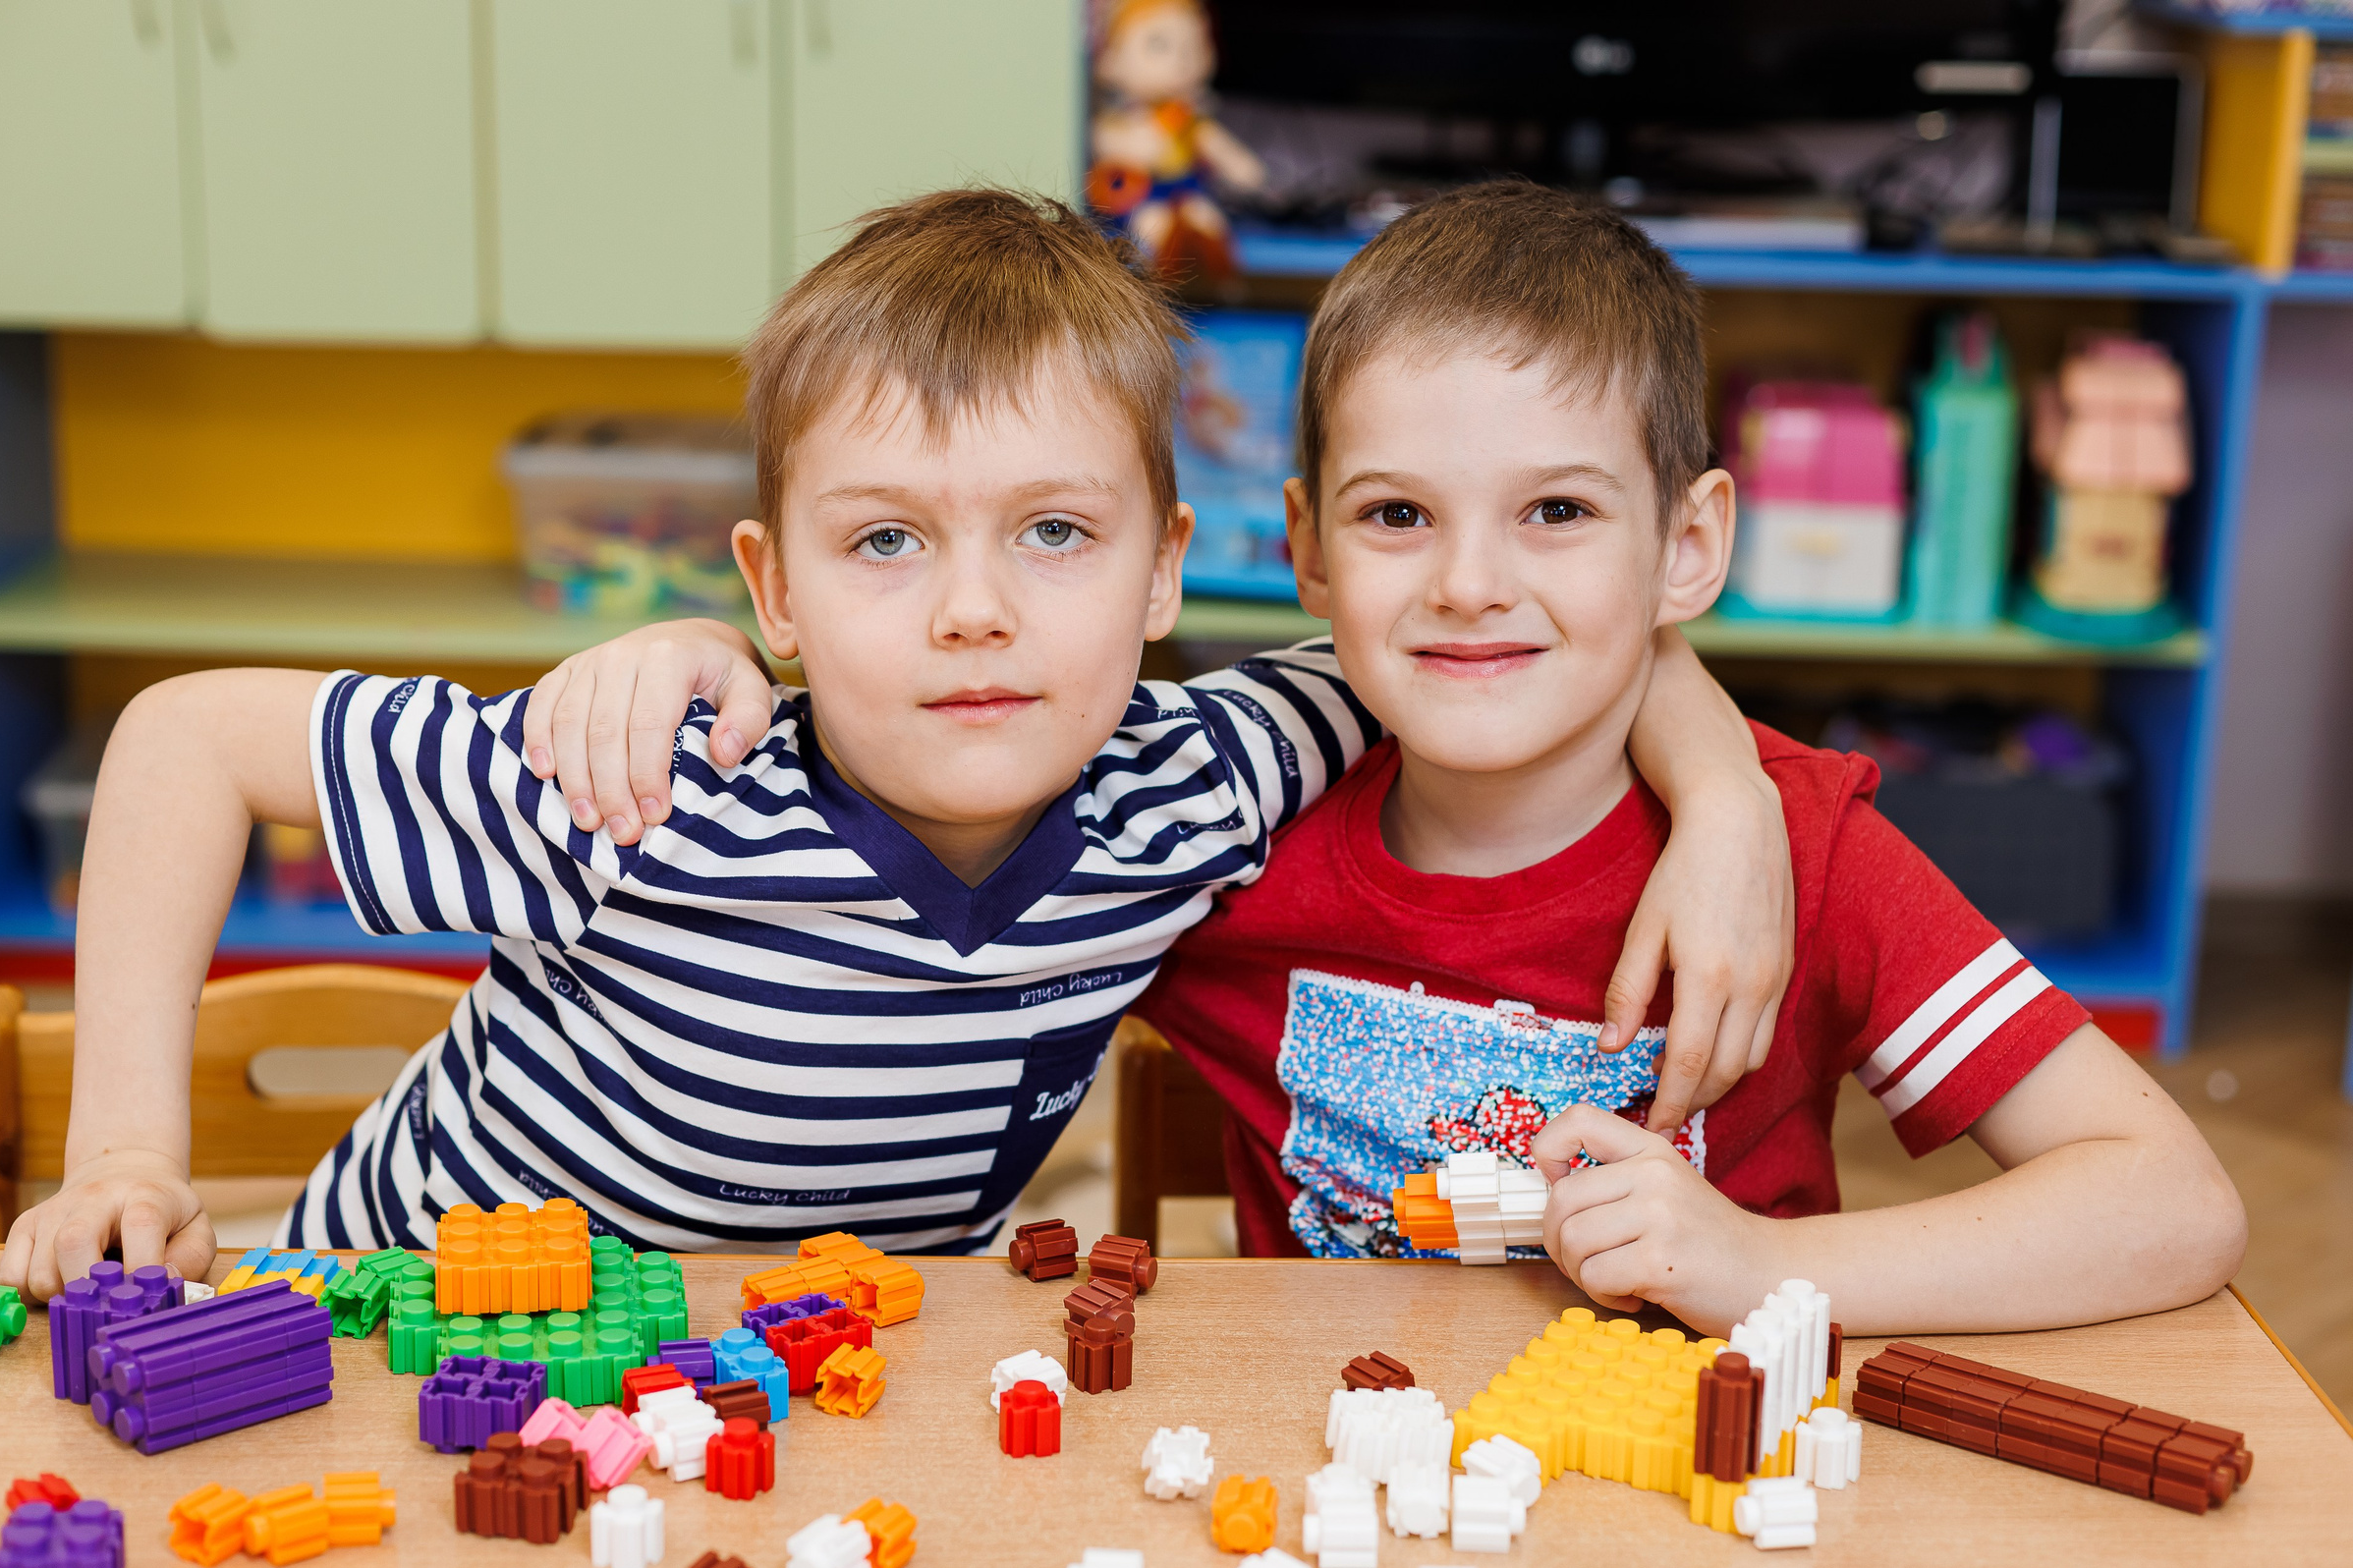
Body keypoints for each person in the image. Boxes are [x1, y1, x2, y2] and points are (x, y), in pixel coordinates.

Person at [0, 189, 1791, 1298]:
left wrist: (1724, 806)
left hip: (795, 1387)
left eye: (1055, 534)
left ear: (1170, 573)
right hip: (403, 1343)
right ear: (772, 592)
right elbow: (174, 744)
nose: (973, 613)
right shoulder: (638, 786)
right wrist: (130, 1164)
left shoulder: (1200, 782)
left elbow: (1506, 636)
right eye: (885, 543)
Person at [555, 183, 2247, 1338]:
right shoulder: (1200, 838)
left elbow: (2172, 1205)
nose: (1468, 582)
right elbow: (882, 811)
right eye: (1395, 516)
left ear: (1691, 547)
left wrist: (1758, 1265)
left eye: (1560, 512)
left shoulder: (1803, 857)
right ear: (1304, 550)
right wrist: (712, 667)